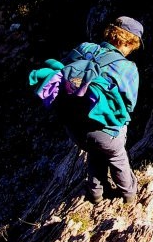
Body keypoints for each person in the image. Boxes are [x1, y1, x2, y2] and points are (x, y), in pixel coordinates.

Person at [57, 16, 143, 204]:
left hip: (73, 127)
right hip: (102, 133)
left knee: (96, 149)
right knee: (117, 153)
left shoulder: (84, 48)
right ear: (129, 42)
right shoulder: (127, 68)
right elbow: (129, 105)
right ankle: (129, 196)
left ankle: (96, 193)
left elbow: (62, 74)